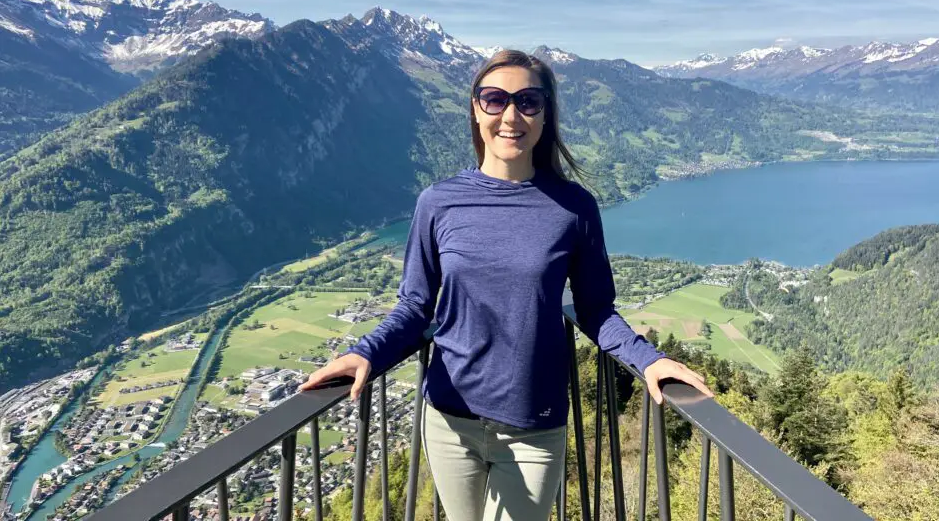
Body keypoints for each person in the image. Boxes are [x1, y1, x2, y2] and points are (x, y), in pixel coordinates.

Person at [300, 49, 713, 520]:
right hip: (448, 417)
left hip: (533, 423)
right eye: (494, 100)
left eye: (528, 101)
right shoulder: (437, 203)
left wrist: (649, 360)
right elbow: (415, 306)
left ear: (545, 114)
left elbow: (596, 309)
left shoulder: (573, 207)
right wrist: (366, 354)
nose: (511, 115)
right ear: (477, 111)